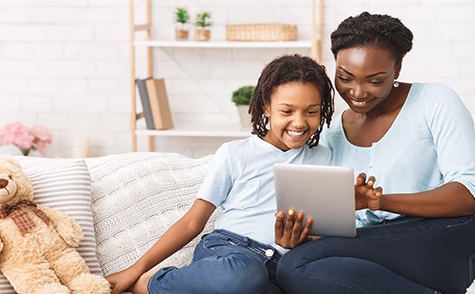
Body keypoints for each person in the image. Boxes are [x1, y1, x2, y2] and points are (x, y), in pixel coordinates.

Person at [275, 12, 475, 294]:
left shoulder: (435, 102)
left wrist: (381, 202)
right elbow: (350, 232)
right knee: (294, 264)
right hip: (381, 248)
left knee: (295, 266)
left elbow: (470, 195)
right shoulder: (331, 132)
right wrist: (301, 235)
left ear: (398, 68)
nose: (357, 92)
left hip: (453, 239)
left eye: (375, 80)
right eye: (345, 77)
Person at [106, 54, 334, 294]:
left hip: (280, 268)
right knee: (245, 274)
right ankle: (153, 283)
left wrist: (304, 242)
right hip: (231, 252)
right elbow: (193, 223)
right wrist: (134, 270)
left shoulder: (324, 158)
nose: (299, 122)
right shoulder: (235, 153)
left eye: (311, 112)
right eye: (287, 111)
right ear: (266, 106)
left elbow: (321, 232)